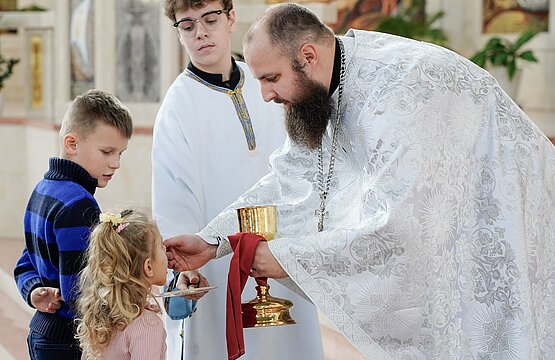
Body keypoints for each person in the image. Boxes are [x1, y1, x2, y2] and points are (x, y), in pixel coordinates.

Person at [164, 3, 555, 359]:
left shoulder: (400, 91)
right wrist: (212, 241)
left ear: (308, 56)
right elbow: (290, 182)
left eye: (271, 78)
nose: (265, 95)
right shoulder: (326, 88)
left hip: (509, 224)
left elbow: (401, 225)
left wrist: (288, 258)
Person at [152, 0, 323, 359]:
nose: (200, 33)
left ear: (230, 18)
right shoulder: (178, 105)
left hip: (282, 252)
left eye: (210, 19)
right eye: (187, 25)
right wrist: (181, 269)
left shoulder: (269, 80)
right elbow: (173, 197)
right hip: (216, 264)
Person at [13, 89, 133, 360]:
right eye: (107, 152)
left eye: (120, 154)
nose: (115, 164)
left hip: (42, 333)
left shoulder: (43, 189)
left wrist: (34, 291)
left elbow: (24, 263)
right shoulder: (79, 205)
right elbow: (81, 294)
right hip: (69, 341)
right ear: (72, 144)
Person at [75, 210, 167, 359]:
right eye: (161, 247)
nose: (166, 251)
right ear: (148, 267)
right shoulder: (147, 325)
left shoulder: (101, 316)